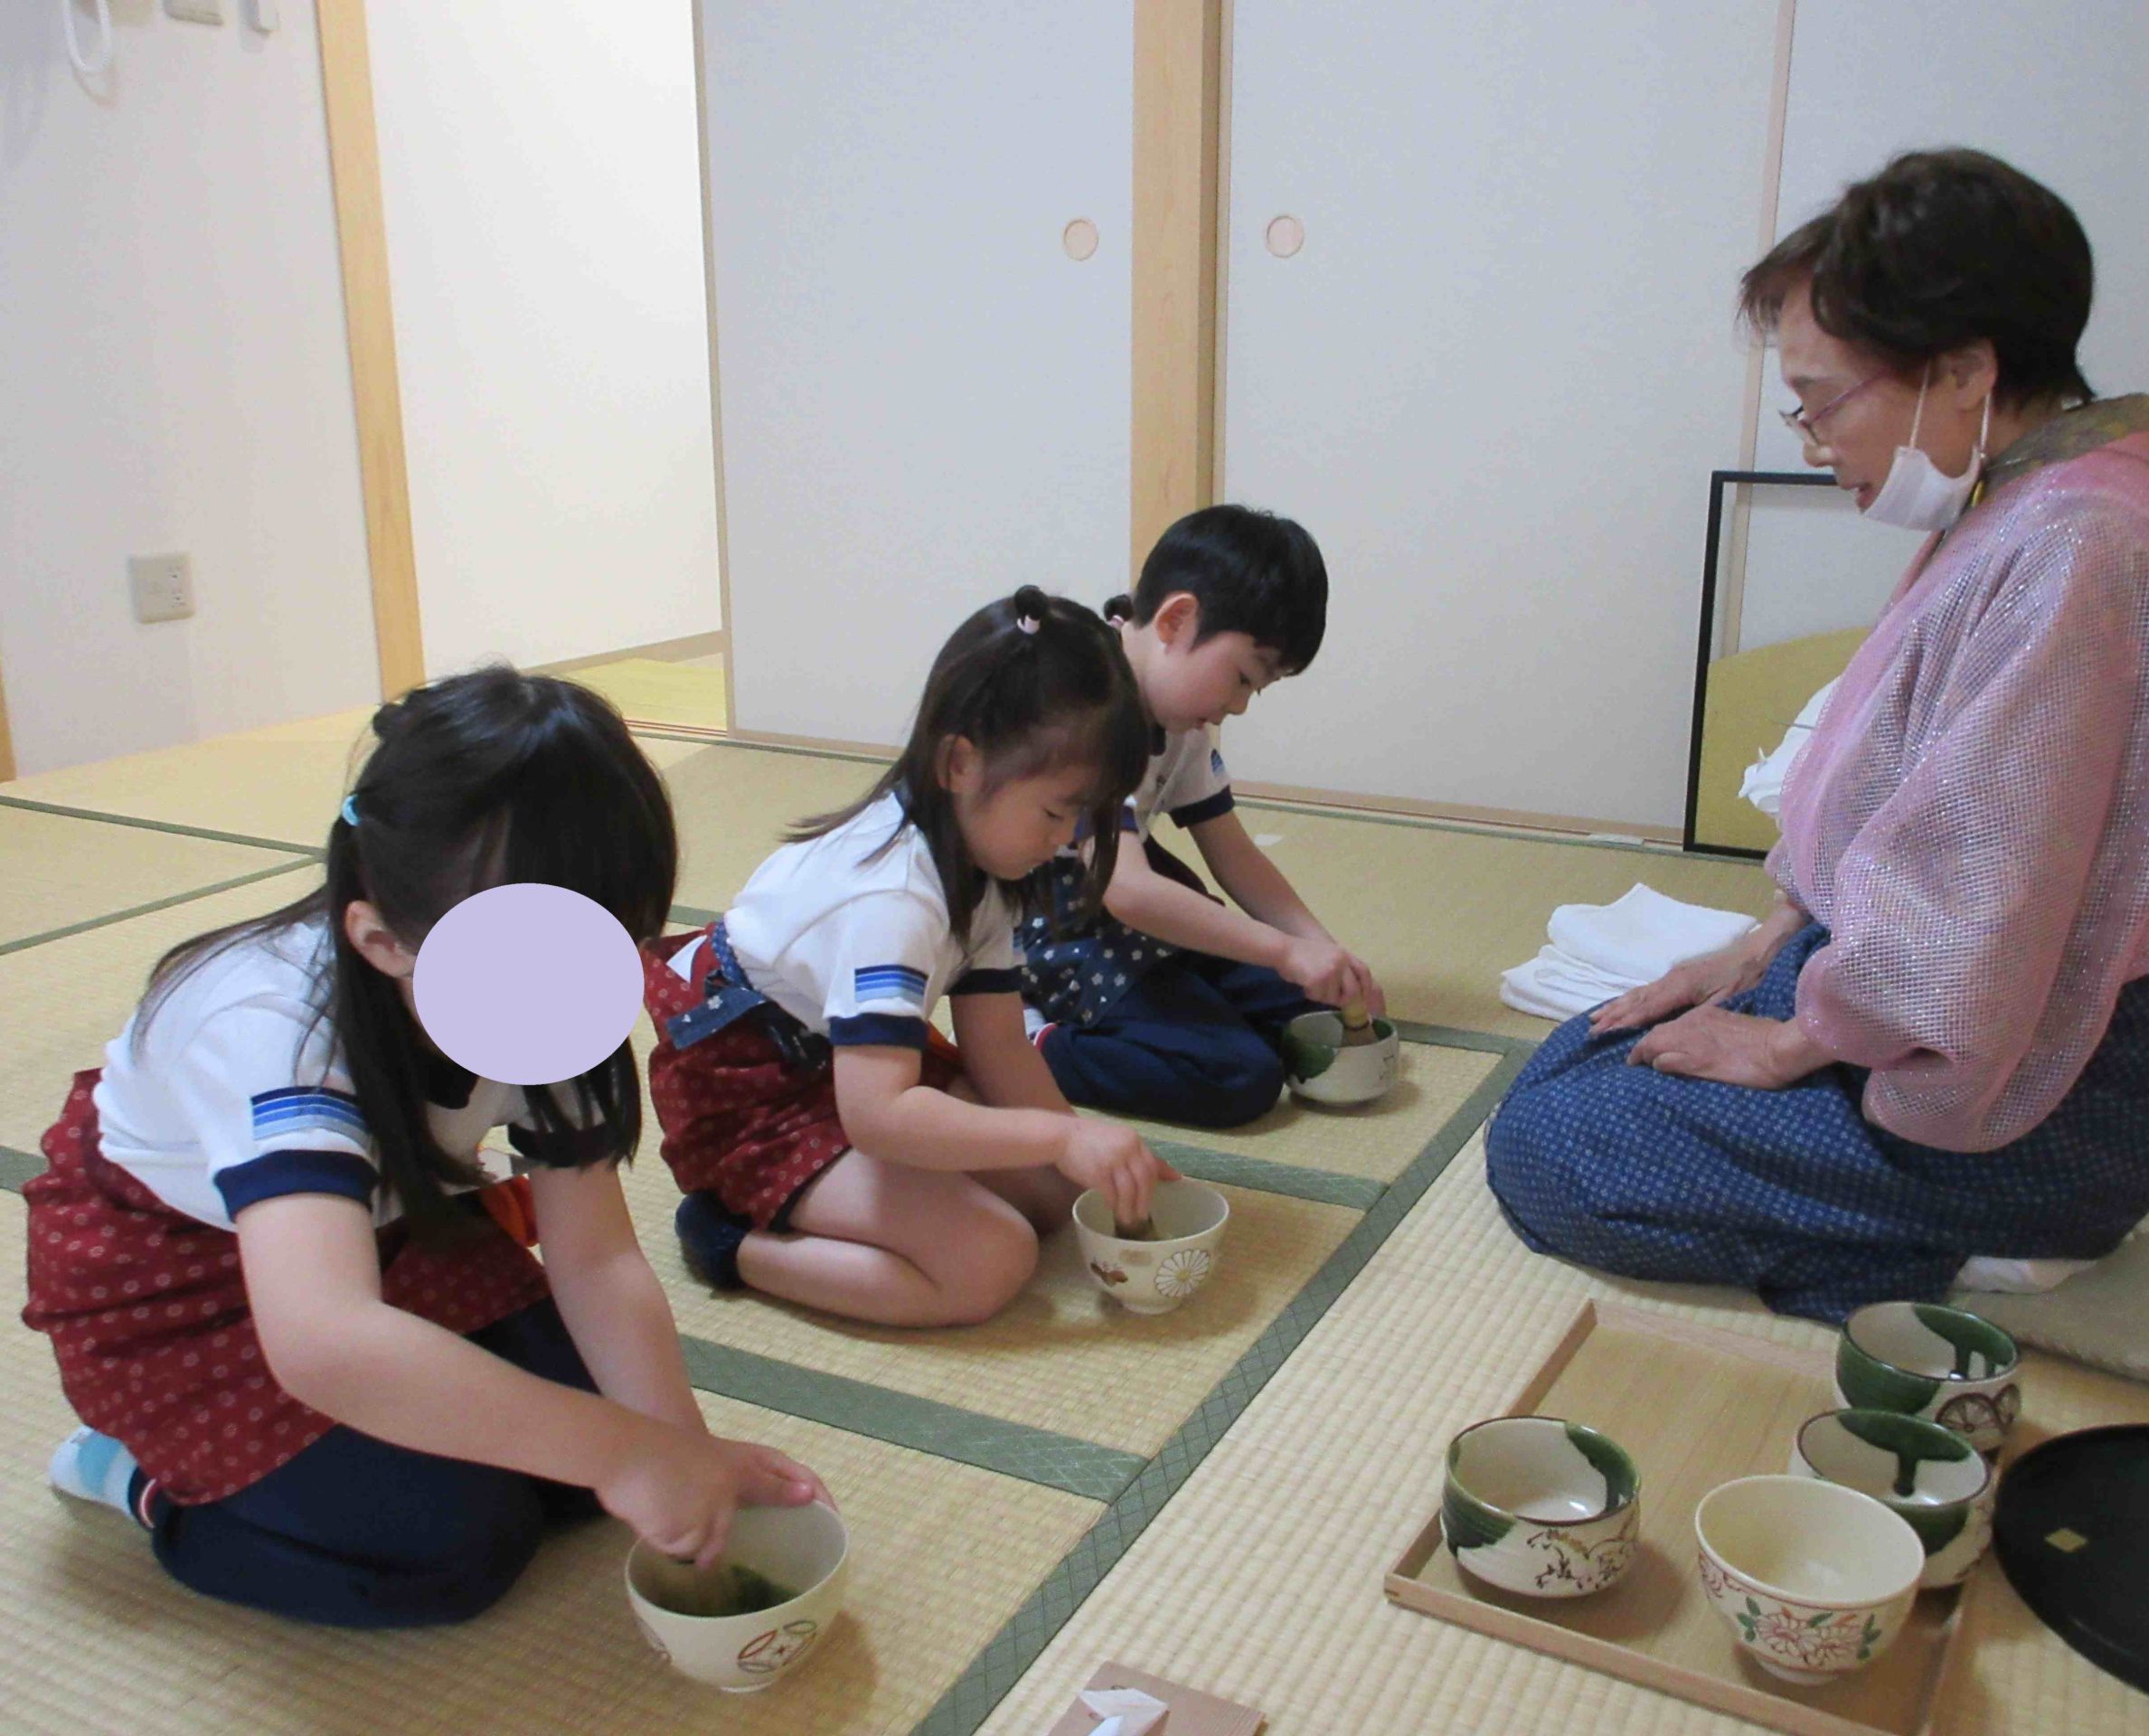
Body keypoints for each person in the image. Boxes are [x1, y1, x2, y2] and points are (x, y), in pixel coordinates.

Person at [1486, 148, 2149, 1322]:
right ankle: (1894, 1229)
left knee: (1557, 1148)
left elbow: (1975, 915)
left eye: (1822, 399)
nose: (1812, 435)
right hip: (1944, 1011)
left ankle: (1985, 1249)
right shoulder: (2034, 504)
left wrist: (1784, 1043)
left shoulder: (2079, 551)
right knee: (1591, 1046)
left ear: (1965, 369)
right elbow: (1915, 820)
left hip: (2040, 1096)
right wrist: (1763, 946)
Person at [24, 669, 825, 1627]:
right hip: (184, 1285)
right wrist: (625, 1453)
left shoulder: (552, 988)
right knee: (459, 1546)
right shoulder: (270, 1028)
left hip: (386, 1238)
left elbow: (599, 1258)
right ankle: (139, 1479)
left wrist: (676, 1450)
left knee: (579, 1462)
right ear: (380, 940)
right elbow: (324, 1340)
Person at [652, 586, 1176, 1326]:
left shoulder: (987, 859)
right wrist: (1062, 1133)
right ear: (959, 763)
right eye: (1057, 812)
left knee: (1059, 1200)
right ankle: (732, 1243)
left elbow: (998, 1046)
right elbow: (878, 1117)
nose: (1066, 840)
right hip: (753, 1082)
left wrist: (1089, 1154)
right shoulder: (891, 902)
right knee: (992, 1259)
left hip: (856, 1061)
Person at [1022, 505, 1386, 1128]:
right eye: (1241, 678)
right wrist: (1281, 950)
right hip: (1043, 923)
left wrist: (1321, 951)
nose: (1238, 706)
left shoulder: (1180, 712)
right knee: (1239, 1077)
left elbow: (1232, 852)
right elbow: (1128, 889)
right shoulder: (1089, 704)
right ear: (1176, 619)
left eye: (1255, 690)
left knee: (1306, 1008)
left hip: (1124, 897)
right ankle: (1033, 1043)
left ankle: (1174, 1007)